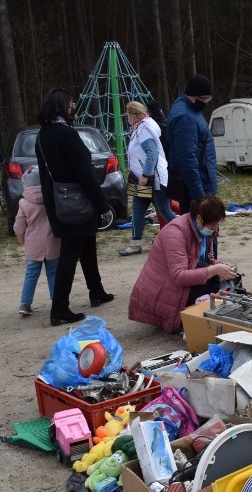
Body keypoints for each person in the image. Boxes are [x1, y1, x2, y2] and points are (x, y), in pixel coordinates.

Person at [35, 88, 114, 326]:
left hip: (59, 202)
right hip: (76, 203)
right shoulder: (66, 134)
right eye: (70, 104)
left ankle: (96, 291)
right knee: (70, 254)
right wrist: (103, 205)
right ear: (62, 106)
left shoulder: (43, 134)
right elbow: (85, 173)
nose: (73, 108)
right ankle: (59, 308)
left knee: (87, 246)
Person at [128, 195, 237, 334]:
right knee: (215, 286)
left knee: (228, 279)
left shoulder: (202, 229)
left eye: (218, 224)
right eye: (214, 224)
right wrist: (215, 269)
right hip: (164, 289)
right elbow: (179, 276)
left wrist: (218, 265)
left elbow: (200, 259)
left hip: (179, 279)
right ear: (199, 218)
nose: (215, 228)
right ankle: (182, 318)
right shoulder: (175, 233)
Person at [119, 101, 176, 256]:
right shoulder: (139, 128)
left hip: (151, 179)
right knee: (137, 210)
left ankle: (185, 236)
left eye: (128, 114)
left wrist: (145, 175)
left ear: (133, 115)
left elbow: (151, 153)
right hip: (139, 179)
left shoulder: (144, 129)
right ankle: (135, 243)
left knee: (164, 210)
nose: (127, 117)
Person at [166, 74, 217, 214]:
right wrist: (199, 197)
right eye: (204, 99)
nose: (206, 102)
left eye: (208, 99)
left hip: (202, 181)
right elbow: (187, 159)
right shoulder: (185, 117)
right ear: (193, 96)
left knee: (207, 230)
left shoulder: (192, 110)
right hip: (196, 188)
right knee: (198, 231)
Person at [13, 167, 59, 316]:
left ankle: (25, 304)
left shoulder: (24, 203)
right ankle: (56, 301)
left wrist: (21, 240)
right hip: (52, 242)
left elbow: (19, 226)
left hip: (33, 245)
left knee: (31, 274)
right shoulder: (51, 199)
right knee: (53, 273)